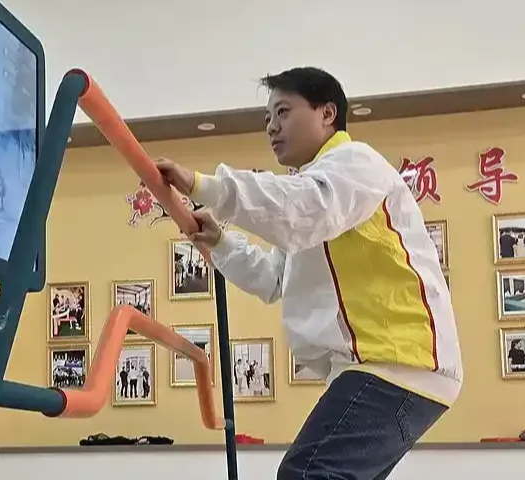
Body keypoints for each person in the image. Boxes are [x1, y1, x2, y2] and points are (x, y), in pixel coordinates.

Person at [154, 66, 463, 480]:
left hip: (401, 363)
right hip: (384, 368)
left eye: (283, 112)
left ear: (327, 113)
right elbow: (273, 278)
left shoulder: (355, 164)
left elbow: (301, 208)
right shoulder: (312, 195)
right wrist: (220, 242)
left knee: (306, 473)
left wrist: (202, 186)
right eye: (267, 118)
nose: (271, 127)